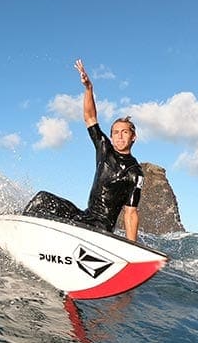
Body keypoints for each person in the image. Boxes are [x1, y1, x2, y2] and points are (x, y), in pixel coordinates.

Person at [23, 59, 144, 241]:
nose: (119, 136)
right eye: (116, 132)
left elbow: (131, 213)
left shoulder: (135, 173)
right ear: (111, 136)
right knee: (42, 199)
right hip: (84, 217)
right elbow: (89, 117)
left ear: (133, 137)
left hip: (101, 229)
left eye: (124, 132)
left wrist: (132, 248)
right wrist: (88, 89)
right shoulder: (105, 149)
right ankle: (20, 233)